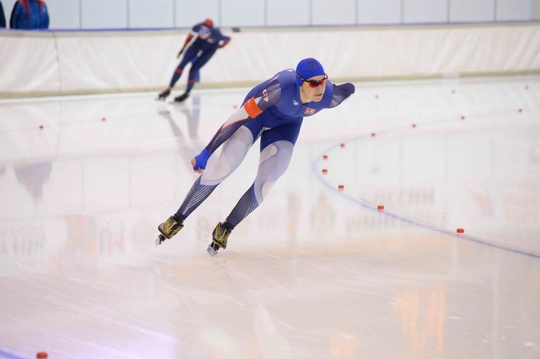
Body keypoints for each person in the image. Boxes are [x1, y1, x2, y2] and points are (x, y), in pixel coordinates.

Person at [156, 58, 356, 256]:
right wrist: (207, 151)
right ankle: (176, 219)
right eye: (313, 83)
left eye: (323, 80)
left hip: (287, 126)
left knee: (266, 183)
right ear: (299, 82)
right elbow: (239, 117)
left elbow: (348, 89)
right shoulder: (279, 89)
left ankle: (226, 228)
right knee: (222, 169)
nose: (320, 87)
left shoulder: (329, 96)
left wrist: (347, 85)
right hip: (255, 117)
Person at [157, 18, 231, 102]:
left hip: (210, 50)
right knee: (182, 64)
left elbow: (228, 39)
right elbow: (189, 38)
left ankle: (187, 93)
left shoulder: (217, 34)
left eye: (206, 32)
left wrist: (220, 46)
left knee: (193, 70)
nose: (202, 33)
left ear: (210, 32)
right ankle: (169, 88)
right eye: (201, 30)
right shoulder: (196, 27)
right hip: (197, 44)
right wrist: (182, 50)